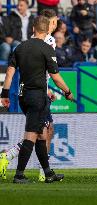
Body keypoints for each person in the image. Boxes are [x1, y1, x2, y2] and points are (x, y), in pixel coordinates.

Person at [0, 15, 73, 183]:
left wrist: (4, 94)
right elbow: (56, 77)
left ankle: (48, 173)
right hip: (37, 97)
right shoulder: (47, 48)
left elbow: (10, 73)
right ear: (47, 30)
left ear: (33, 29)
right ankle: (19, 175)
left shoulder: (19, 47)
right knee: (31, 134)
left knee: (41, 134)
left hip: (22, 96)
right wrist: (67, 92)